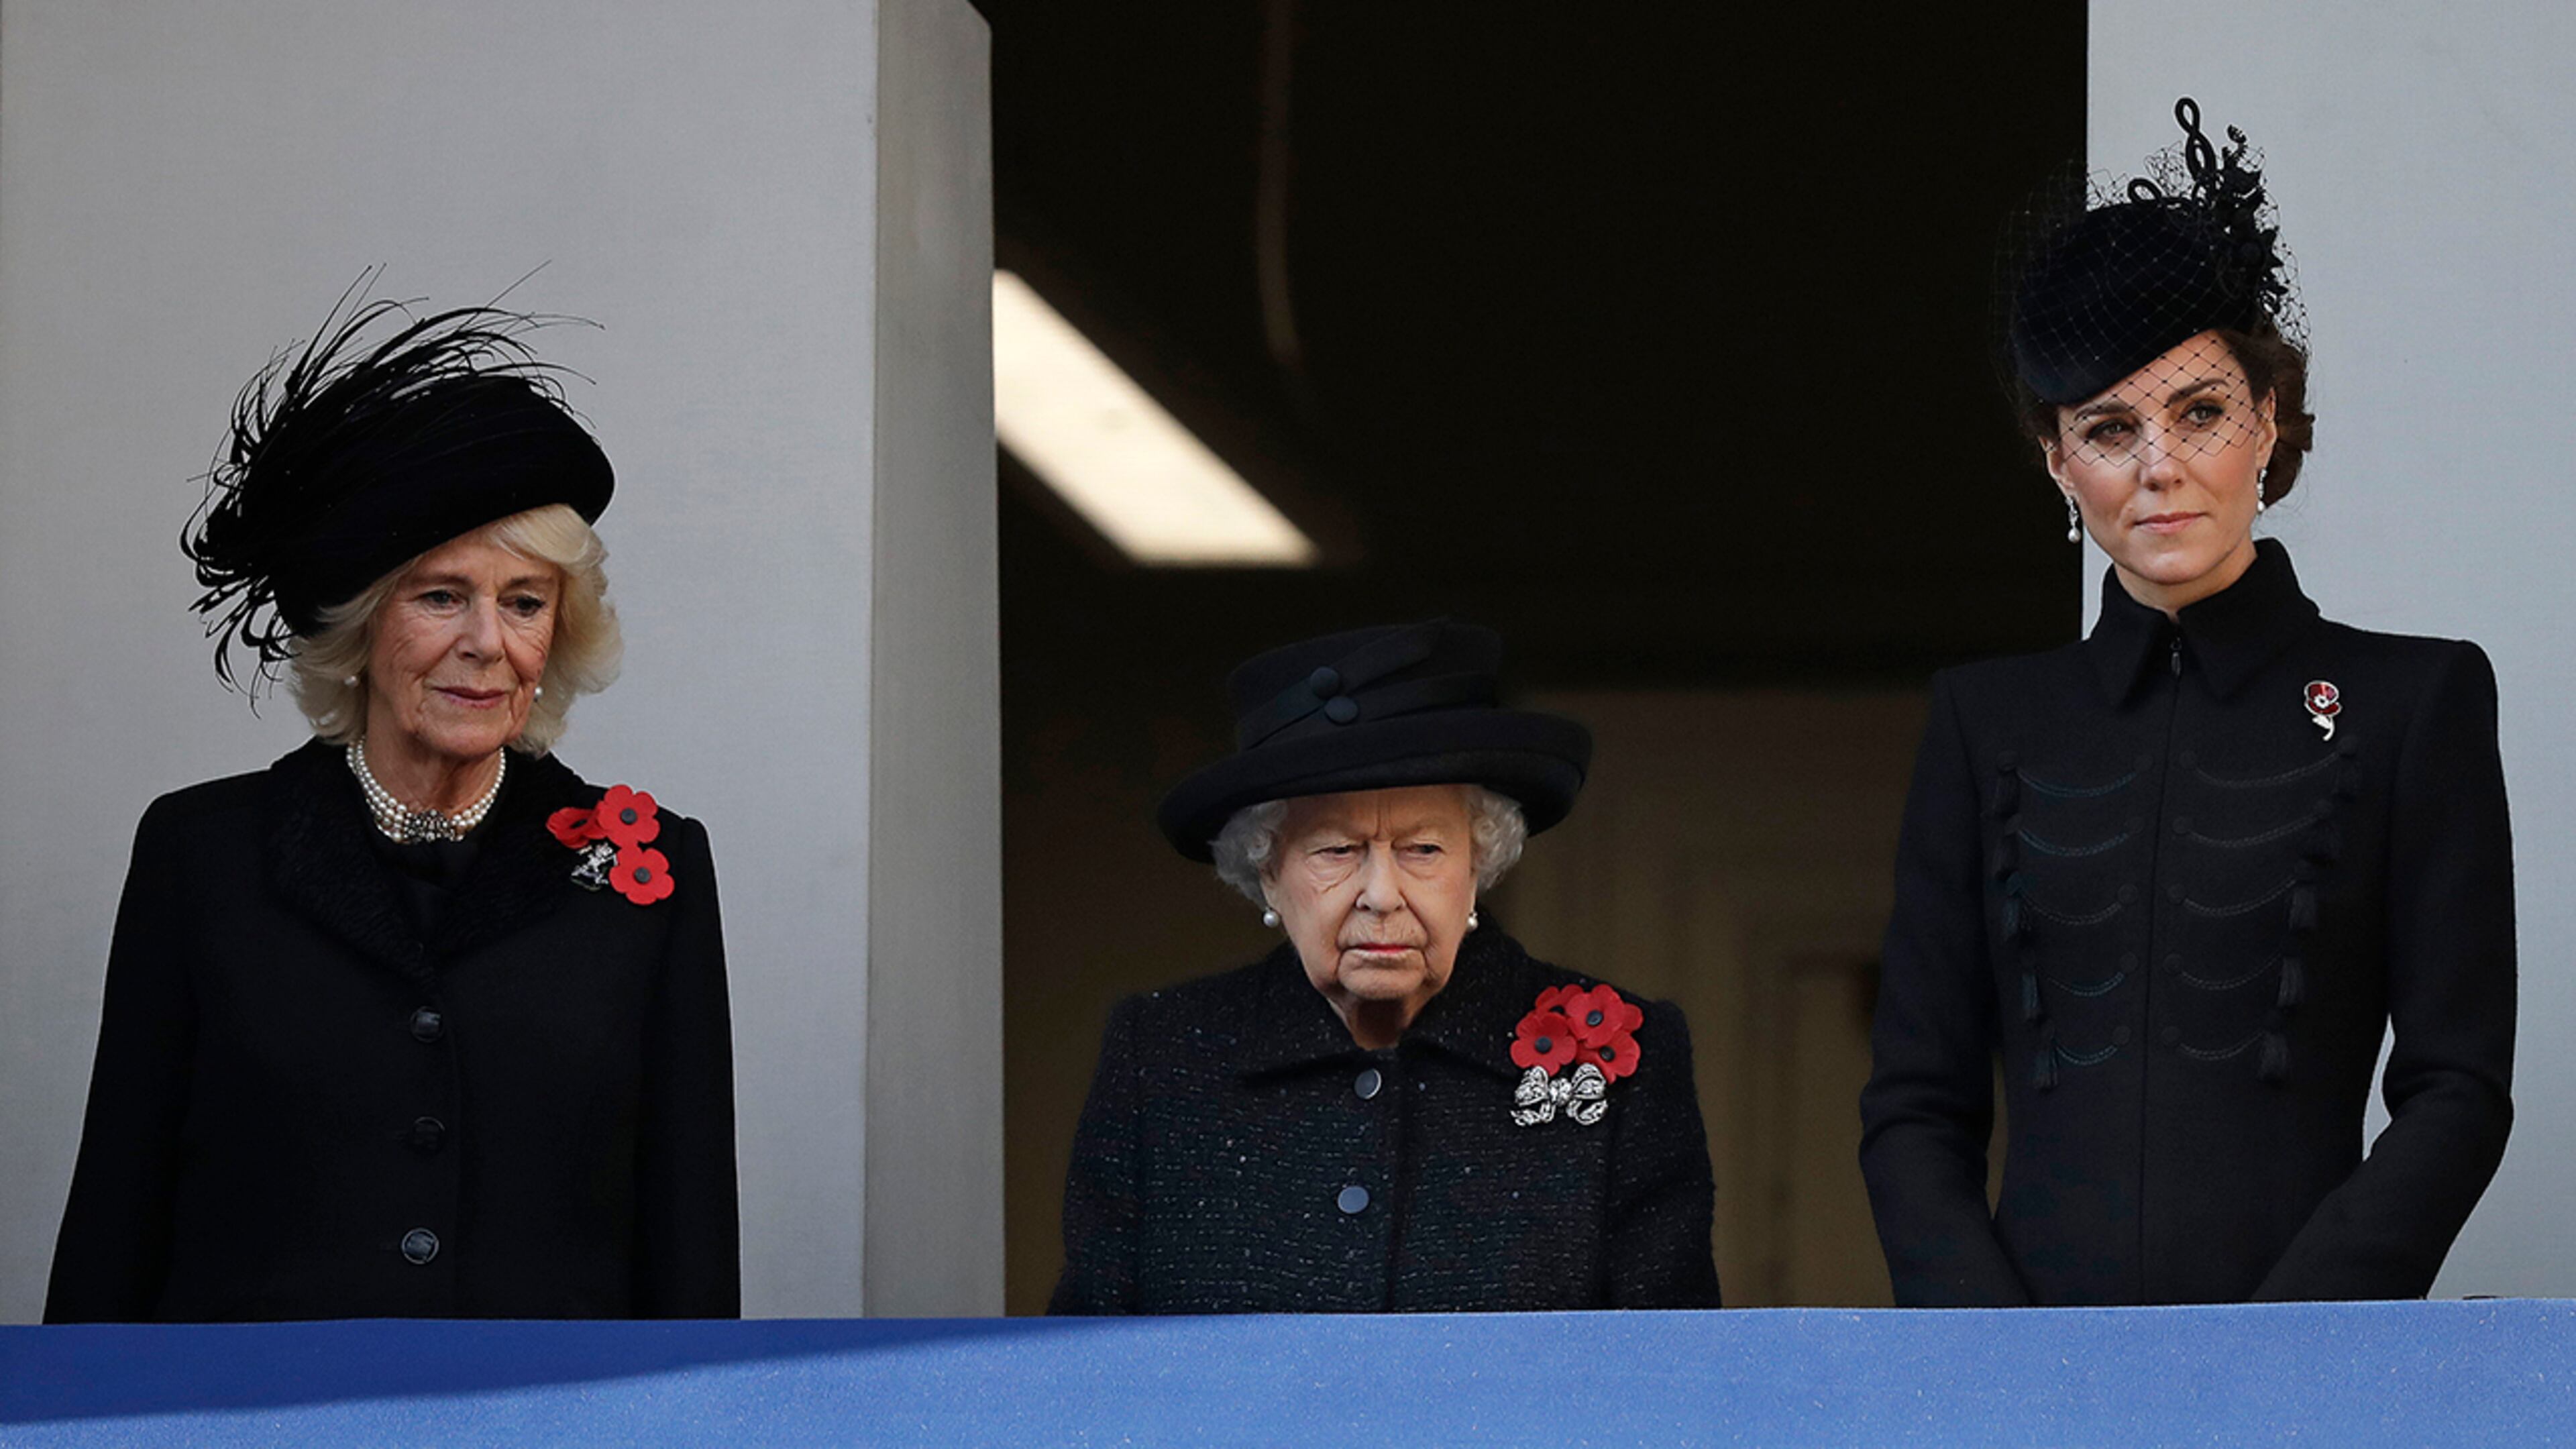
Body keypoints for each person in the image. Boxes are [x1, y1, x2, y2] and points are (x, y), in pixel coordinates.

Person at [1859, 99, 2515, 1305]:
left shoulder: (2416, 700)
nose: (2158, 465)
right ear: (2060, 462)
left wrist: (2292, 1345)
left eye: (2200, 410)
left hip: (2312, 1373)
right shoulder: (1983, 723)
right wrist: (2002, 1363)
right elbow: (1914, 1104)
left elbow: (2457, 1087)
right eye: (2110, 428)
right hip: (2025, 1381)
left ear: (2268, 422)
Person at [44, 295, 740, 1322]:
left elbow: (688, 1237)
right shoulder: (204, 856)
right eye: (440, 595)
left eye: (524, 601)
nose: (486, 643)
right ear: (363, 628)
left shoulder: (649, 872)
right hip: (256, 1424)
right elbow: (119, 1208)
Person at [1049, 621, 1721, 1313]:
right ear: (1268, 874)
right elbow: (1091, 1366)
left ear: (1478, 864)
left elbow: (1667, 1371)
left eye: (1423, 849)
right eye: (1336, 850)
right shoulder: (1161, 1054)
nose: (1381, 894)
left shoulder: (1630, 1058)